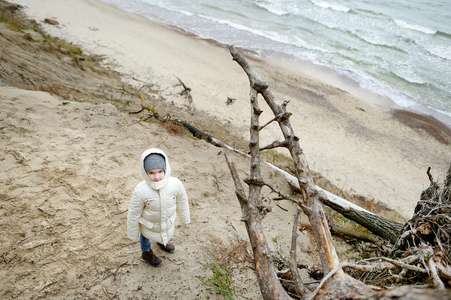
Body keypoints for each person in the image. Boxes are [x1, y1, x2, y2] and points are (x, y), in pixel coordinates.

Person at [127, 148, 190, 266]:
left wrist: (184, 218)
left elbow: (182, 201)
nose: (157, 177)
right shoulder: (140, 190)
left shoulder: (175, 184)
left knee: (164, 230)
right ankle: (146, 252)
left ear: (166, 168)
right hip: (148, 224)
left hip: (167, 220)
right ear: (145, 172)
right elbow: (133, 213)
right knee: (145, 235)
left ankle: (162, 241)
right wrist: (132, 232)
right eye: (151, 173)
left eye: (160, 171)